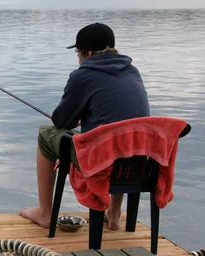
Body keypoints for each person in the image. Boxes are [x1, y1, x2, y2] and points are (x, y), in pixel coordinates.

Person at [19, 23, 150, 230]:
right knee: (122, 137)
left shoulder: (83, 75)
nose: (79, 59)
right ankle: (114, 215)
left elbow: (61, 122)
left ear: (88, 52)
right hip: (138, 162)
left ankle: (45, 213)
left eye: (78, 53)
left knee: (46, 134)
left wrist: (68, 118)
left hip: (102, 161)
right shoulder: (132, 72)